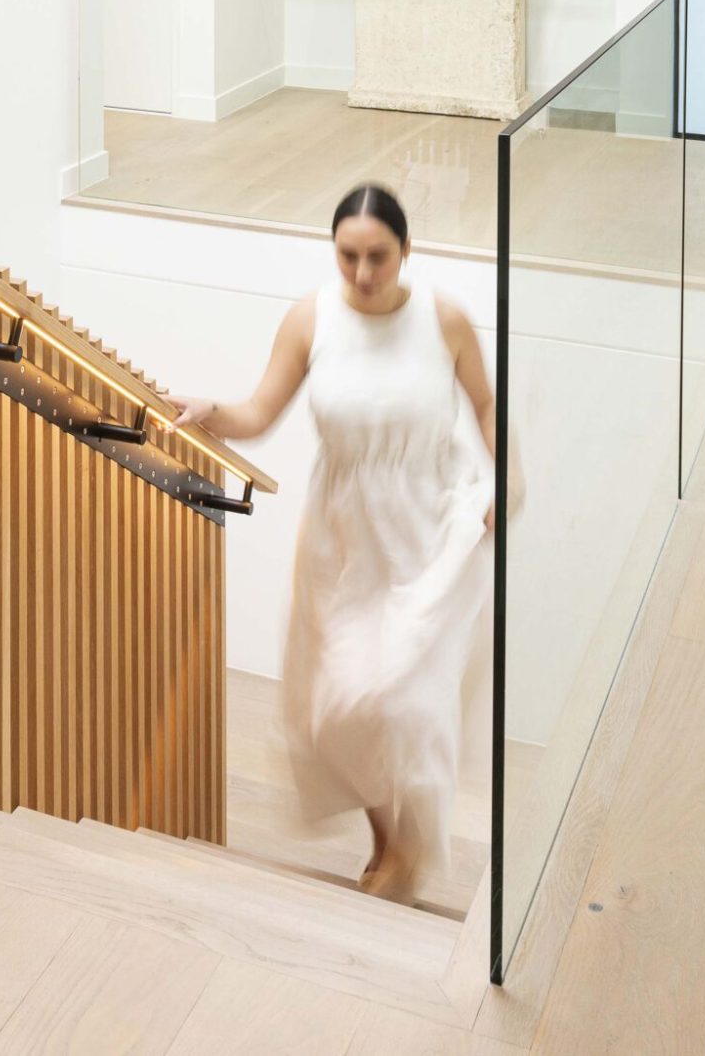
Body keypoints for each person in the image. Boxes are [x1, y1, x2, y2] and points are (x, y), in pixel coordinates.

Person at [173, 182, 500, 904]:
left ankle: (409, 847)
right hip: (343, 540)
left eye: (378, 256)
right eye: (347, 256)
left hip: (425, 527)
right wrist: (212, 414)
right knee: (336, 709)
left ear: (407, 250)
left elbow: (483, 401)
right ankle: (388, 838)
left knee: (397, 699)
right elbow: (261, 409)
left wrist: (505, 477)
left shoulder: (442, 319)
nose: (362, 273)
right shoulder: (309, 319)